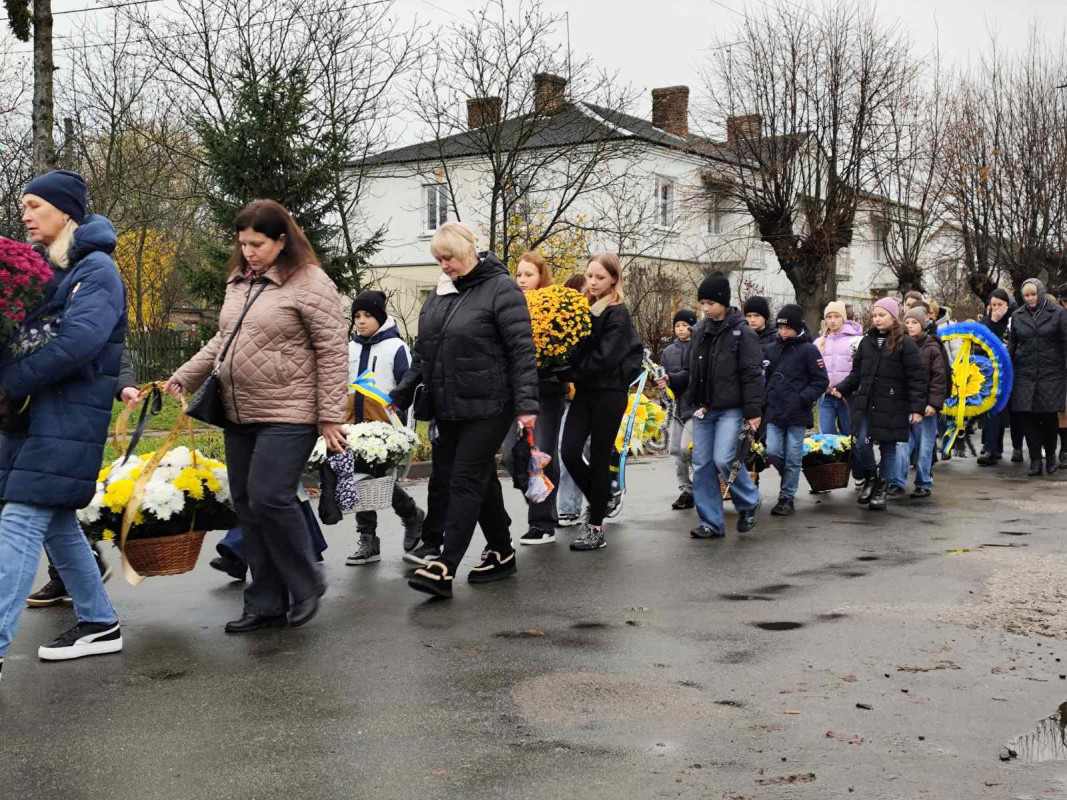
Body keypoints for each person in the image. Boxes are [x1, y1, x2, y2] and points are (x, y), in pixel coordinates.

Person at [167, 200, 349, 633]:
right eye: (243, 243)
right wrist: (184, 376)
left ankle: (306, 582)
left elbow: (333, 349)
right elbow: (224, 340)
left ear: (282, 240)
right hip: (239, 408)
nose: (249, 251)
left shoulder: (309, 282)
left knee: (270, 495)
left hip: (291, 408)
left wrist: (329, 416)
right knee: (248, 505)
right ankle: (266, 602)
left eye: (258, 243)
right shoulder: (239, 281)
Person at [0, 170, 127, 681]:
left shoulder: (96, 270)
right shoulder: (51, 271)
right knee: (53, 522)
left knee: (19, 521)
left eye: (35, 205)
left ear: (66, 211)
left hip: (68, 417)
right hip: (37, 417)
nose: (25, 215)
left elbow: (79, 343)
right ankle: (99, 622)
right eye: (24, 206)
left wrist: (9, 382)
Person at [390, 222, 538, 598]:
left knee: (465, 479)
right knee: (481, 479)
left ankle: (445, 565)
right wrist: (401, 392)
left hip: (491, 403)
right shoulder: (441, 294)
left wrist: (526, 405)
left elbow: (521, 350)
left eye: (449, 257)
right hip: (450, 404)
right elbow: (425, 352)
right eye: (438, 259)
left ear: (470, 252)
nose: (444, 265)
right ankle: (502, 553)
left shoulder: (501, 288)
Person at [24, 350, 139, 606]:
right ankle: (77, 580)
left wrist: (124, 384)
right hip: (25, 412)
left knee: (41, 499)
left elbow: (108, 343)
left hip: (66, 413)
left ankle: (87, 589)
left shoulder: (75, 311)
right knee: (42, 502)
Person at [664, 273, 763, 539]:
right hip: (705, 408)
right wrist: (671, 379)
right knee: (702, 463)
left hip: (731, 408)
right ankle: (711, 522)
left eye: (710, 302)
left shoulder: (743, 332)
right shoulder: (699, 332)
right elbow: (692, 371)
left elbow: (752, 374)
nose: (705, 308)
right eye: (702, 302)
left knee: (723, 458)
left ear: (723, 301)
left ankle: (749, 500)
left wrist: (753, 412)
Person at [560, 253, 642, 551]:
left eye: (600, 278)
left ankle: (595, 527)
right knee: (568, 451)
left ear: (613, 280)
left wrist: (570, 370)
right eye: (590, 276)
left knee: (597, 457)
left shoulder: (616, 312)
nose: (593, 282)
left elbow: (605, 357)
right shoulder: (583, 307)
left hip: (609, 392)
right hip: (584, 391)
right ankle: (602, 496)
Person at [344, 290, 426, 564]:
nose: (361, 321)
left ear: (380, 317)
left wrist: (404, 428)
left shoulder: (396, 348)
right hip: (353, 427)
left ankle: (411, 515)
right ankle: (368, 538)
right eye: (357, 316)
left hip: (386, 429)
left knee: (380, 482)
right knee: (359, 481)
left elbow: (408, 387)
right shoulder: (351, 347)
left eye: (368, 315)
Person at [832, 297, 926, 512]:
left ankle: (883, 486)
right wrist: (843, 387)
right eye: (874, 315)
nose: (877, 319)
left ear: (894, 317)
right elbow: (857, 373)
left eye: (882, 315)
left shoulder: (906, 344)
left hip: (893, 404)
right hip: (866, 403)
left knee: (888, 447)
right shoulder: (866, 342)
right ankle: (871, 478)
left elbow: (917, 378)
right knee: (861, 442)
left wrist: (916, 407)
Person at [501, 252, 567, 546]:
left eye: (529, 274)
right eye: (519, 275)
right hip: (513, 392)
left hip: (545, 391)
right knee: (509, 455)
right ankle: (540, 501)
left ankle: (542, 522)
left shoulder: (554, 309)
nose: (523, 280)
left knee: (542, 452)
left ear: (541, 277)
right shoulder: (508, 305)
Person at [762, 304, 828, 516]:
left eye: (787, 328)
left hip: (798, 413)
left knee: (793, 455)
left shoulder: (809, 350)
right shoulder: (771, 349)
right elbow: (763, 378)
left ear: (797, 327)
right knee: (772, 450)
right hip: (774, 411)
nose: (783, 332)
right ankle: (790, 478)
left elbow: (820, 381)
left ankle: (786, 496)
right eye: (780, 328)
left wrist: (803, 399)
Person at [1007, 278, 1067, 477]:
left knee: (1049, 417)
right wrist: (1007, 368)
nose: (1030, 298)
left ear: (1040, 294)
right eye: (1026, 295)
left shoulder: (1057, 313)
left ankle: (1050, 456)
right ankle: (1035, 459)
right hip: (1024, 373)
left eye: (1033, 294)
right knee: (1027, 417)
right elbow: (1013, 344)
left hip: (1051, 373)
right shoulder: (1017, 315)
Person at [889, 306, 947, 498]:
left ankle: (923, 482)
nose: (910, 326)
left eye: (915, 322)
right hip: (904, 405)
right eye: (907, 322)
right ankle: (897, 481)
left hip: (926, 408)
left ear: (922, 325)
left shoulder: (932, 348)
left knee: (925, 446)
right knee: (901, 445)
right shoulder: (900, 345)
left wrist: (933, 404)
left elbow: (939, 378)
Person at [555, 273, 588, 527]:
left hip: (593, 396)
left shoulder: (597, 320)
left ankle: (605, 490)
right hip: (568, 397)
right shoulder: (562, 323)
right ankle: (568, 507)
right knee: (566, 451)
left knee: (591, 451)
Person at [661, 308, 697, 510]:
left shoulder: (699, 347)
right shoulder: (668, 352)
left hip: (694, 407)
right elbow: (664, 378)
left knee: (688, 448)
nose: (681, 329)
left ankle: (701, 484)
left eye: (685, 325)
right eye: (677, 325)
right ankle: (686, 489)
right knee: (675, 450)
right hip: (676, 408)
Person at [814, 301, 862, 435]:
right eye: (829, 317)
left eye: (836, 316)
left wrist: (847, 386)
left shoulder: (855, 341)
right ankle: (830, 456)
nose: (832, 321)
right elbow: (814, 369)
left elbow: (859, 368)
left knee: (849, 433)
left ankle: (849, 456)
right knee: (826, 434)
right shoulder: (819, 342)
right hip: (826, 395)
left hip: (848, 395)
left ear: (844, 318)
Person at [977, 289, 1013, 466]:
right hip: (990, 371)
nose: (997, 308)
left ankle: (997, 447)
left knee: (1003, 410)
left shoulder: (1014, 319)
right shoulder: (987, 321)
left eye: (1000, 305)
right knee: (992, 409)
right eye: (994, 305)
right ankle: (990, 447)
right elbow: (980, 342)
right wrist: (992, 321)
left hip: (1010, 370)